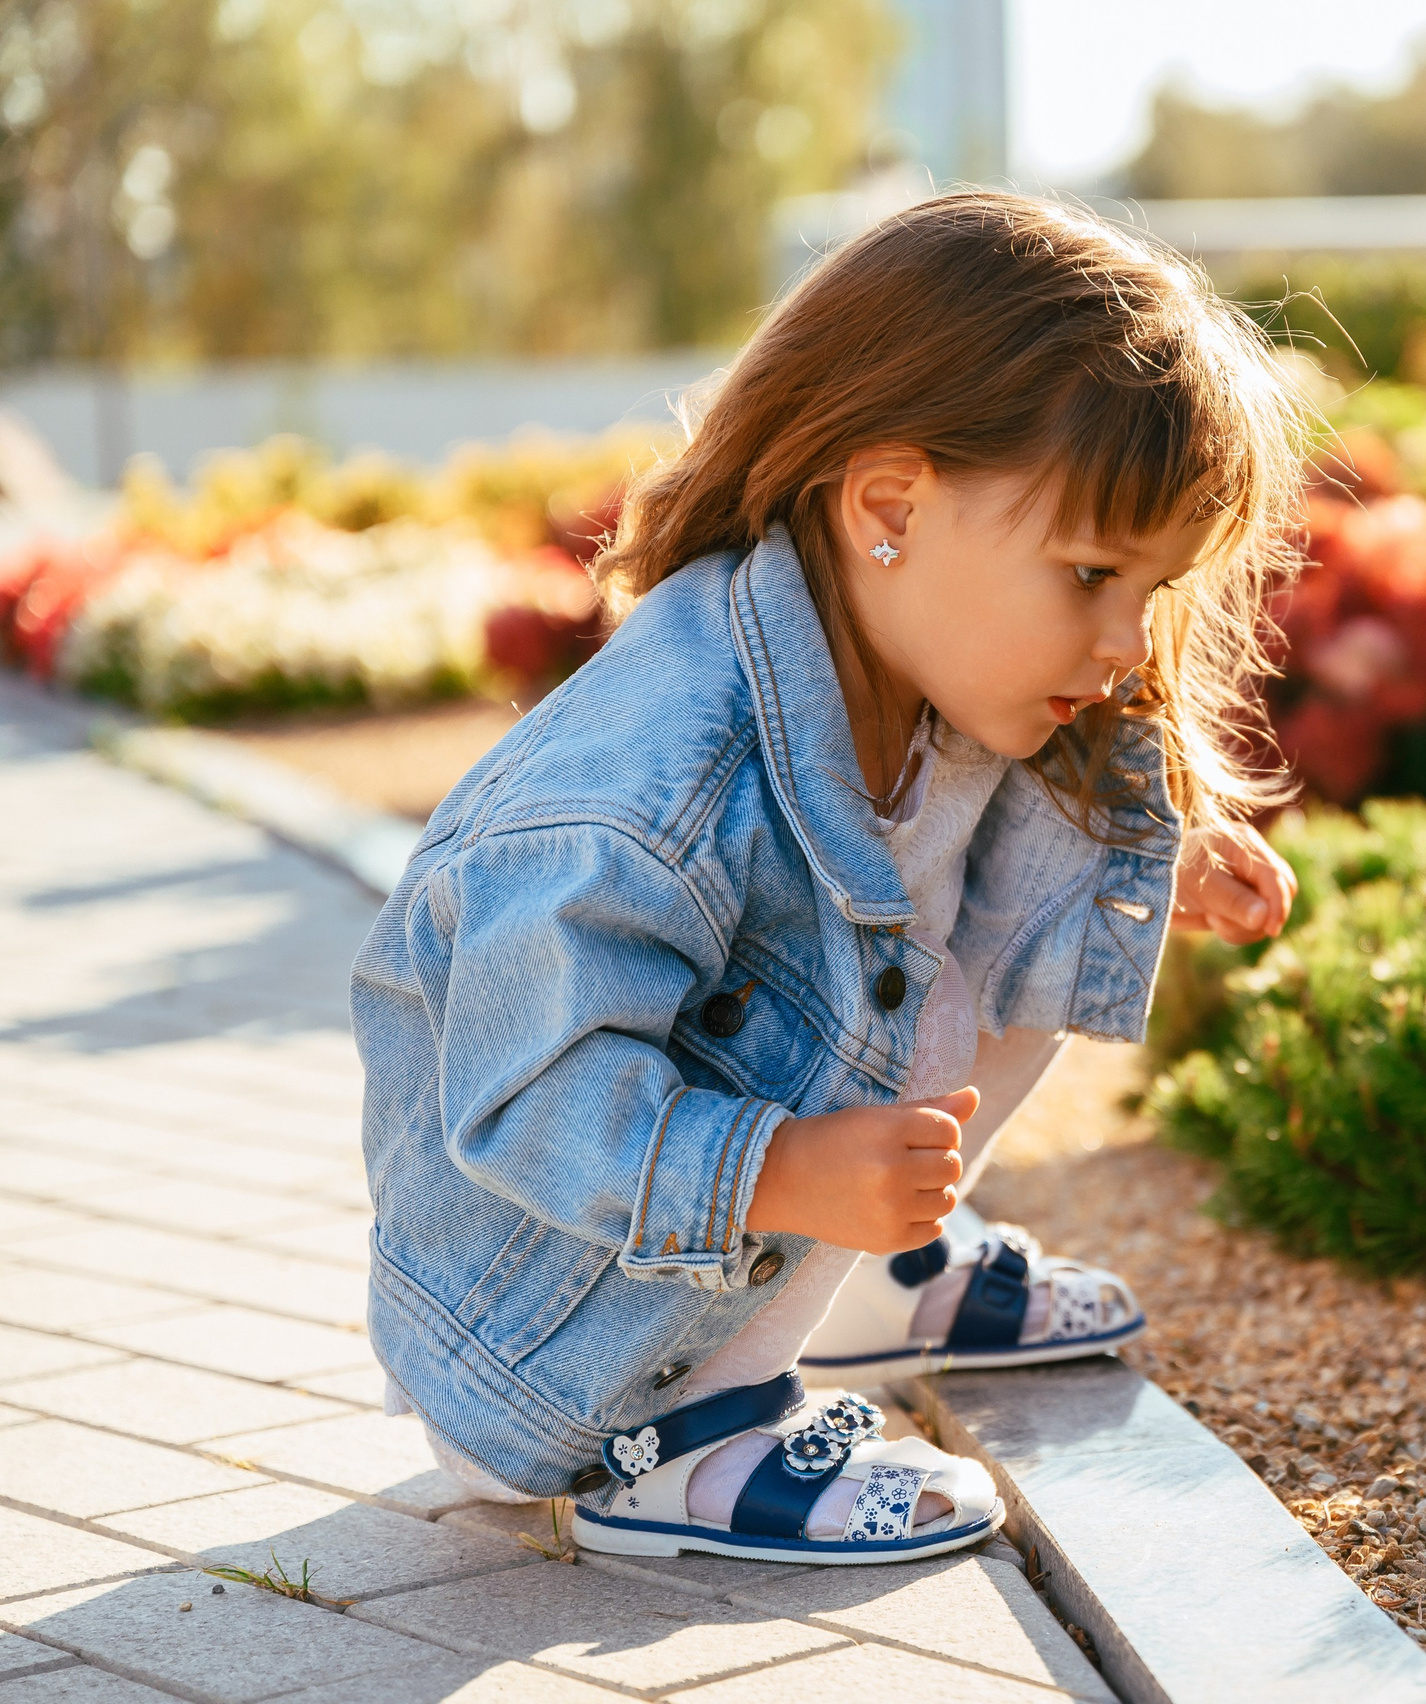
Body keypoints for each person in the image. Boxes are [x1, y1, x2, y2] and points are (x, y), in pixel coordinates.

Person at [354, 192, 1305, 1565]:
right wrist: (781, 1174)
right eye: (1094, 572)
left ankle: (871, 1284)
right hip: (548, 1349)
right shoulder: (645, 786)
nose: (1127, 643)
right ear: (889, 503)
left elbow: (986, 864)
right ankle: (681, 1441)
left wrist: (1175, 854)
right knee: (938, 950)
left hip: (696, 1251)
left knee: (1076, 831)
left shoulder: (909, 654)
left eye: (1151, 592)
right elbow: (522, 1099)